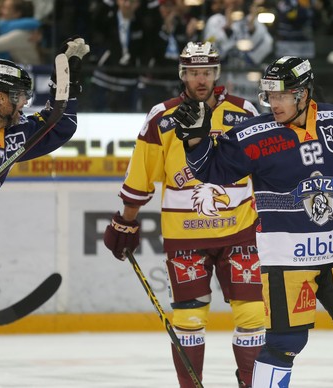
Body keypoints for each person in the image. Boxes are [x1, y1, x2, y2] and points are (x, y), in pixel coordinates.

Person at [172, 56, 333, 387]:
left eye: (281, 95)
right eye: (270, 96)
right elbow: (211, 171)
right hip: (287, 260)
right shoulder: (254, 135)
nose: (273, 103)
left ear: (303, 94)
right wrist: (194, 141)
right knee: (285, 344)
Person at [103, 41, 264, 388]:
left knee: (252, 315)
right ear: (183, 74)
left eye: (206, 72)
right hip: (185, 235)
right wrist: (126, 219)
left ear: (216, 73)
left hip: (239, 231)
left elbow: (266, 166)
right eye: (193, 72)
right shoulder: (162, 116)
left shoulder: (245, 112)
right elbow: (141, 174)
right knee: (189, 318)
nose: (201, 79)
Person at [0, 36, 89, 346]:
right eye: (18, 95)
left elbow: (60, 124)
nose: (24, 102)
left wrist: (65, 84)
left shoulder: (11, 133)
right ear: (0, 98)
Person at [0, 0, 42, 65]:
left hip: (33, 71)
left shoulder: (20, 34)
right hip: (23, 69)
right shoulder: (17, 27)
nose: (1, 11)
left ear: (17, 13)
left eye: (6, 8)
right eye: (3, 7)